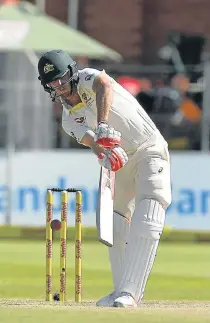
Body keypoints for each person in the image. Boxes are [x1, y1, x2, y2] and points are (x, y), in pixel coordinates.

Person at [38, 50, 172, 308]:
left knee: (151, 206)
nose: (59, 86)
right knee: (113, 221)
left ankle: (131, 294)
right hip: (120, 162)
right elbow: (93, 143)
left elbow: (104, 84)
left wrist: (102, 124)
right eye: (52, 83)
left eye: (61, 78)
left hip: (149, 149)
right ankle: (121, 289)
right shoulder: (68, 119)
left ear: (72, 71)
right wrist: (104, 151)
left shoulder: (89, 78)